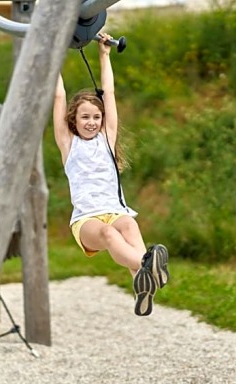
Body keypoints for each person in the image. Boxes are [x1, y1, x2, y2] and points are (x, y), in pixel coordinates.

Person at [53, 33, 170, 316]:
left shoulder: (107, 138)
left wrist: (105, 56)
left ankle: (142, 286)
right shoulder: (68, 143)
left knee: (128, 225)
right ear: (74, 120)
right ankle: (149, 267)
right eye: (85, 117)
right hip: (87, 220)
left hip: (114, 209)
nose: (91, 122)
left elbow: (110, 93)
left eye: (96, 117)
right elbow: (58, 96)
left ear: (102, 120)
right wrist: (53, 54)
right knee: (108, 233)